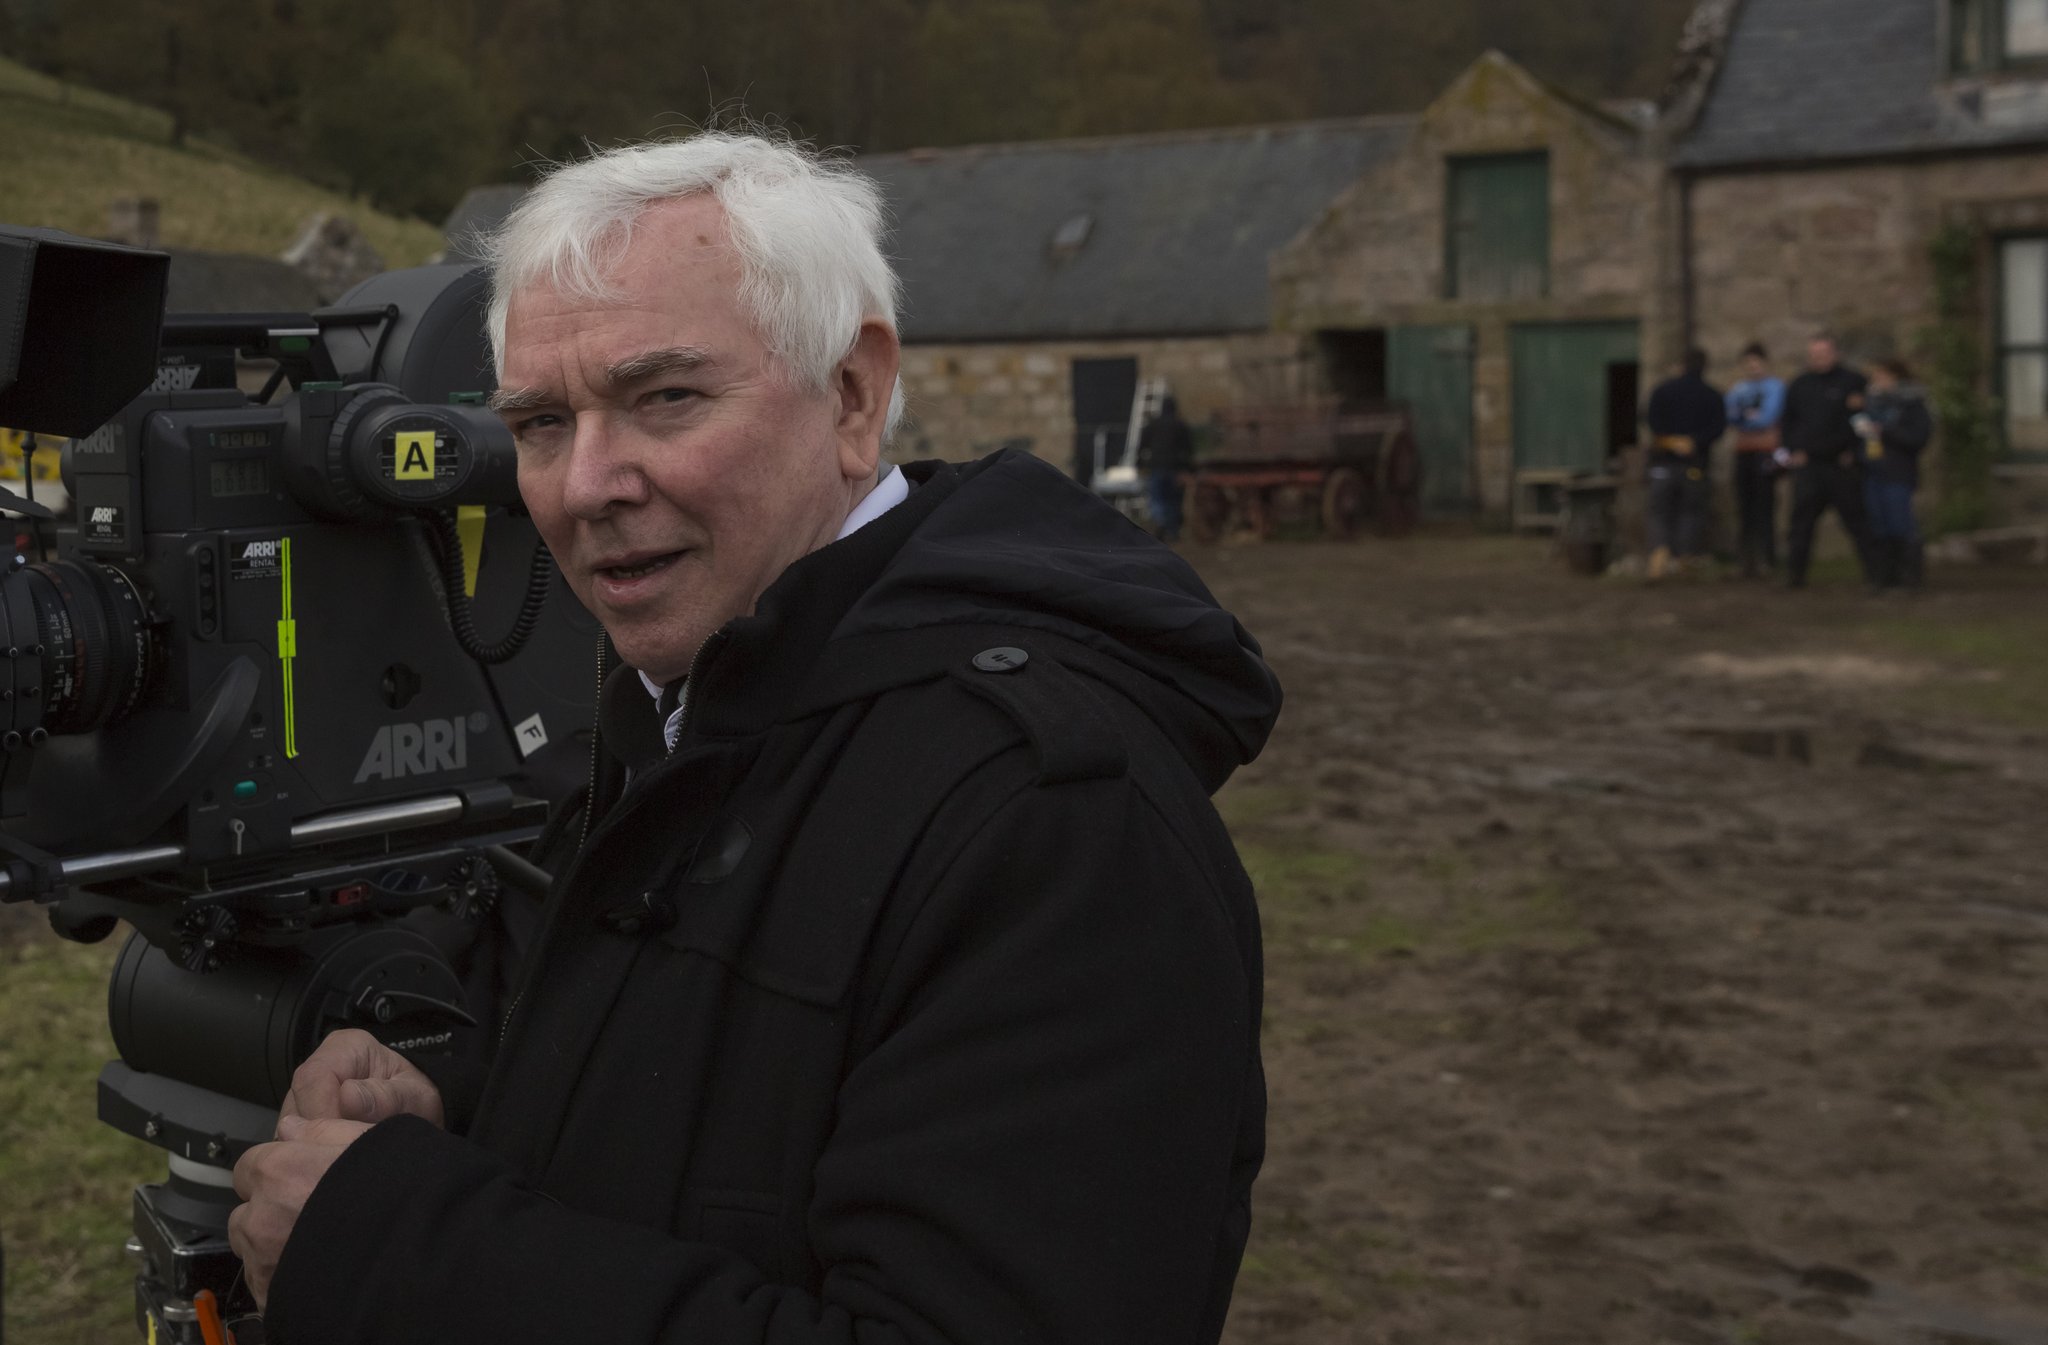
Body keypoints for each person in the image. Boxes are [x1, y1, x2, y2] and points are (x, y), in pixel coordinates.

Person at [228, 133, 1280, 1344]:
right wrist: (445, 1100)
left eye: (662, 396)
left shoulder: (1053, 822)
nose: (584, 484)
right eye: (539, 423)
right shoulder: (671, 712)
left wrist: (394, 1246)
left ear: (851, 392)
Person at [1780, 334, 1876, 589]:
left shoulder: (1853, 382)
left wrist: (1854, 451)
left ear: (1834, 354)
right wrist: (1793, 449)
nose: (1819, 359)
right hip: (1809, 466)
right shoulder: (1800, 385)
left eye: (1823, 354)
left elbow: (1864, 420)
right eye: (1814, 355)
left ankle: (1875, 575)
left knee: (1857, 521)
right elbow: (1787, 422)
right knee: (1801, 524)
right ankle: (1795, 576)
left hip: (1840, 466)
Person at [1643, 348, 1728, 579]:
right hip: (1695, 465)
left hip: (1663, 464)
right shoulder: (1712, 395)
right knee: (1690, 512)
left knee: (1659, 511)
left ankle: (1659, 551)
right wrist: (1694, 441)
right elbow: (1718, 428)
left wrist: (1671, 440)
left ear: (1681, 365)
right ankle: (1684, 557)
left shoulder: (1662, 391)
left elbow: (1652, 422)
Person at [1854, 358, 1935, 590]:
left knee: (1900, 524)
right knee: (1878, 525)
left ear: (1896, 377)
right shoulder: (1871, 404)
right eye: (1875, 376)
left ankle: (1910, 576)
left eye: (1882, 376)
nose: (1877, 381)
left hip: (1897, 472)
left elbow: (1918, 438)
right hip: (1873, 471)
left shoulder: (1913, 404)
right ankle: (1884, 577)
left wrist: (1886, 432)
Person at [1725, 342, 1787, 578]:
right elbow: (1732, 415)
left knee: (1765, 505)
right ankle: (1745, 560)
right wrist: (1749, 418)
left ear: (1765, 363)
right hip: (1744, 452)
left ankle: (1767, 558)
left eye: (1756, 362)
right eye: (1748, 363)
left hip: (1766, 451)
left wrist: (1749, 418)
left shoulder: (1775, 387)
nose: (1752, 367)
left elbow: (1768, 417)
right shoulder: (1738, 389)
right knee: (1745, 507)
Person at [1136, 394, 1195, 542]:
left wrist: (1139, 463)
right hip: (1175, 468)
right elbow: (1188, 449)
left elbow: (1142, 445)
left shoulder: (1153, 424)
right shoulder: (1180, 425)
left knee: (1157, 498)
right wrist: (1188, 468)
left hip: (1156, 467)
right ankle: (1173, 530)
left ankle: (1161, 523)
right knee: (1174, 500)